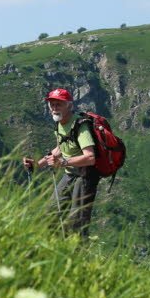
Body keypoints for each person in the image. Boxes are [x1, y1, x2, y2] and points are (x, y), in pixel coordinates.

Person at [22, 88, 100, 238]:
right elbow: (60, 148)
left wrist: (63, 162)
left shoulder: (80, 125)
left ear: (69, 105)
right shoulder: (60, 124)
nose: (54, 108)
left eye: (59, 104)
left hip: (85, 177)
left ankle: (79, 250)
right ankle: (55, 246)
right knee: (51, 213)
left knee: (76, 221)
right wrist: (37, 165)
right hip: (70, 174)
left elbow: (90, 157)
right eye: (52, 104)